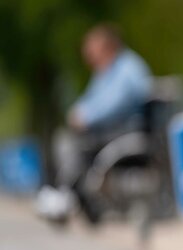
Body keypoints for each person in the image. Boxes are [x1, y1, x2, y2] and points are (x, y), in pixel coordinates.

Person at [37, 24, 153, 223]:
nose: (87, 55)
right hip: (109, 130)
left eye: (91, 49)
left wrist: (87, 117)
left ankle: (68, 194)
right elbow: (91, 100)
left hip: (124, 131)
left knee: (70, 142)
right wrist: (79, 113)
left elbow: (116, 104)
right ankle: (69, 193)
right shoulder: (105, 72)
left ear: (106, 47)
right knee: (66, 139)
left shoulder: (128, 69)